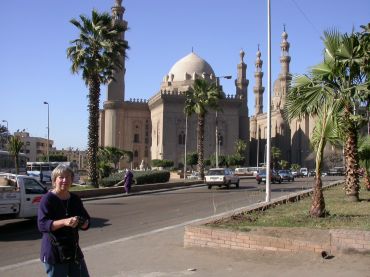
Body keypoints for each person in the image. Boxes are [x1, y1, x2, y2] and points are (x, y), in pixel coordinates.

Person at [37, 164, 90, 277]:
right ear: (54, 180)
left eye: (68, 177)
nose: (65, 180)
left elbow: (86, 219)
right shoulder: (47, 199)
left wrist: (84, 224)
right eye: (61, 177)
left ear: (72, 180)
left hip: (73, 250)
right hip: (54, 252)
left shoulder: (75, 199)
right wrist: (64, 222)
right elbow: (42, 225)